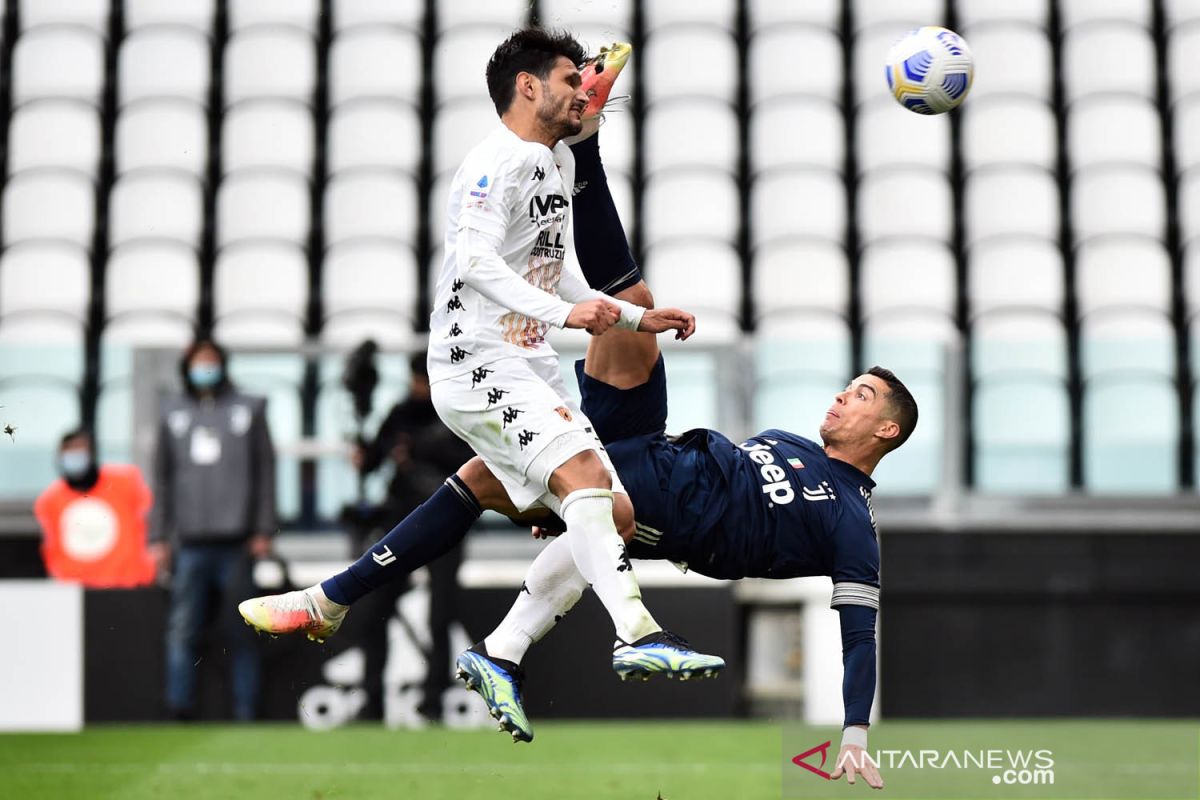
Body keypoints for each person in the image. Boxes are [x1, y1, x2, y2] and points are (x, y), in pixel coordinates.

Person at [241, 39, 909, 778]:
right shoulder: (793, 443)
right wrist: (606, 317)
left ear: (887, 431)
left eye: (865, 396)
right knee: (631, 310)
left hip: (661, 503)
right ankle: (595, 635)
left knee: (506, 479)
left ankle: (377, 611)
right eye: (853, 385)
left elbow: (860, 631)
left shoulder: (851, 519)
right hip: (644, 441)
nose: (845, 394)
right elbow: (491, 261)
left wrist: (854, 733)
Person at [150, 337, 277, 721]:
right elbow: (162, 478)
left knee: (243, 630)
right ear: (186, 366)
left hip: (237, 542)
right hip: (189, 543)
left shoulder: (249, 408)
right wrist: (158, 535)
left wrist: (264, 528)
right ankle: (179, 707)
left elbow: (266, 472)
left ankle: (246, 707)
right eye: (198, 361)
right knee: (182, 630)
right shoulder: (171, 412)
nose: (205, 367)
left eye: (211, 360)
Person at [349, 352, 475, 722]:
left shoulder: (457, 413)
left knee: (440, 617)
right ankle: (372, 701)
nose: (417, 387)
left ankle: (434, 700)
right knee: (376, 611)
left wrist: (418, 448)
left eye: (423, 379)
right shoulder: (399, 412)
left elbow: (471, 462)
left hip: (447, 523)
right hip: (400, 523)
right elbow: (373, 459)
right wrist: (365, 454)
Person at [35, 428, 156, 587]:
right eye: (68, 451)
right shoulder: (50, 501)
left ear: (92, 453)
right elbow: (51, 549)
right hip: (75, 590)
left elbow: (151, 520)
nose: (74, 456)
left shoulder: (126, 483)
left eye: (79, 449)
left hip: (126, 586)